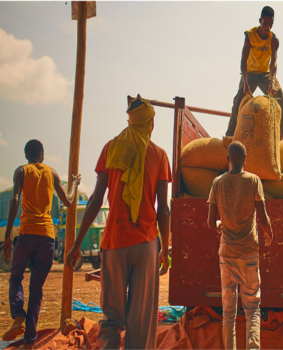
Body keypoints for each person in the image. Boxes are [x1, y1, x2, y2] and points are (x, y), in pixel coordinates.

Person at [66, 95, 171, 350]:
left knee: (111, 316)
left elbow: (95, 200)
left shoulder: (111, 149)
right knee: (140, 319)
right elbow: (163, 209)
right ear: (149, 123)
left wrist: (77, 244)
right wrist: (165, 249)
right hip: (146, 243)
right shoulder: (159, 155)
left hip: (114, 241)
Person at [2, 140, 81, 349]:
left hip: (27, 234)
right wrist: (75, 183)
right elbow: (69, 201)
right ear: (42, 155)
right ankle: (29, 340)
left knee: (16, 277)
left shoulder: (21, 171)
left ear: (26, 154)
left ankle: (18, 316)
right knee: (36, 289)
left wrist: (9, 235)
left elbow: (14, 200)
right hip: (47, 237)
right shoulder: (51, 173)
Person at [207, 141, 273, 350]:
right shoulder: (254, 181)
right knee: (252, 309)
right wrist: (269, 232)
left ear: (228, 159)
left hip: (226, 255)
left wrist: (219, 224)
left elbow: (210, 222)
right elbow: (262, 218)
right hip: (249, 255)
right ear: (245, 159)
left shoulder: (217, 183)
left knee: (228, 312)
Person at [226, 6, 283, 140]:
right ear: (260, 20)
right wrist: (245, 82)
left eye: (271, 24)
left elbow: (273, 63)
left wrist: (272, 81)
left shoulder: (274, 40)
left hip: (265, 74)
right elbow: (243, 60)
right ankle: (230, 134)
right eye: (265, 23)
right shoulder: (250, 36)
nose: (267, 27)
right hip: (249, 73)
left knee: (278, 95)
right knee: (239, 99)